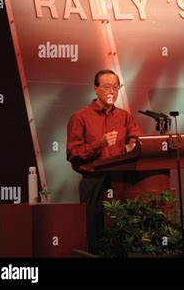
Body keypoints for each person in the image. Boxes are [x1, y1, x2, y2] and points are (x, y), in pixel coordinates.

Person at [66, 70, 141, 252]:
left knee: (122, 233)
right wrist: (99, 144)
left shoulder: (124, 117)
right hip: (94, 182)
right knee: (95, 235)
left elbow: (137, 141)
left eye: (116, 87)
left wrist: (131, 147)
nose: (112, 92)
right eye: (107, 87)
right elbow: (72, 153)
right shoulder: (81, 117)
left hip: (121, 181)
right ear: (96, 89)